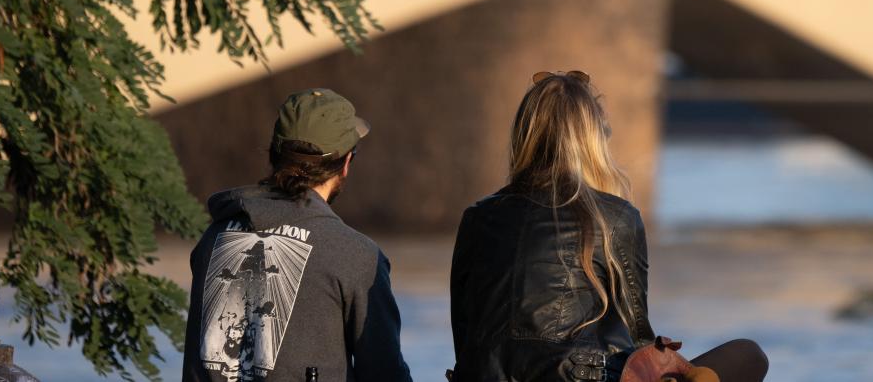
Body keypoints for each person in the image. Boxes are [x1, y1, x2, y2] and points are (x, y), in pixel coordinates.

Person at [449, 70, 768, 382]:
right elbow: (638, 340)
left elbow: (464, 337)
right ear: (593, 141)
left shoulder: (477, 217)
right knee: (748, 355)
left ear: (524, 136)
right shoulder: (615, 217)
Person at [184, 88, 413, 382]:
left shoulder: (214, 238)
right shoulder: (354, 255)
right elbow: (385, 373)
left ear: (274, 154)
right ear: (345, 164)